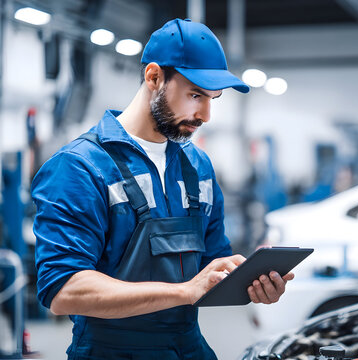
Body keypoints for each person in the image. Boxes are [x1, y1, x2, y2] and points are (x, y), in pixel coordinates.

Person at [32, 18, 293, 359]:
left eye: (212, 98)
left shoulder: (197, 166)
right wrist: (184, 291)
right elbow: (63, 289)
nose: (206, 114)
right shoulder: (80, 167)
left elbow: (210, 263)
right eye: (195, 95)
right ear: (154, 77)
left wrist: (249, 281)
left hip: (188, 348)